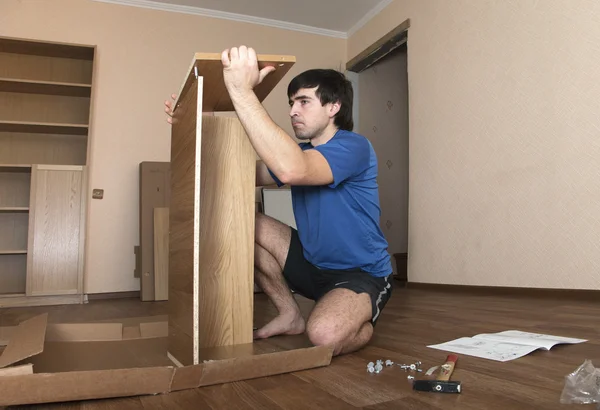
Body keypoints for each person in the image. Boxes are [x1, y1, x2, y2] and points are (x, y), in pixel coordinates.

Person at [164, 45, 393, 356]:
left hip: (360, 273)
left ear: (333, 106)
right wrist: (195, 121)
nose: (293, 111)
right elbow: (240, 174)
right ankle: (290, 314)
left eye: (303, 102)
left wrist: (242, 91)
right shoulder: (303, 152)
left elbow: (292, 169)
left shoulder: (353, 147)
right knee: (245, 224)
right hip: (312, 264)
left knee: (324, 334)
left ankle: (359, 320)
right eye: (291, 103)